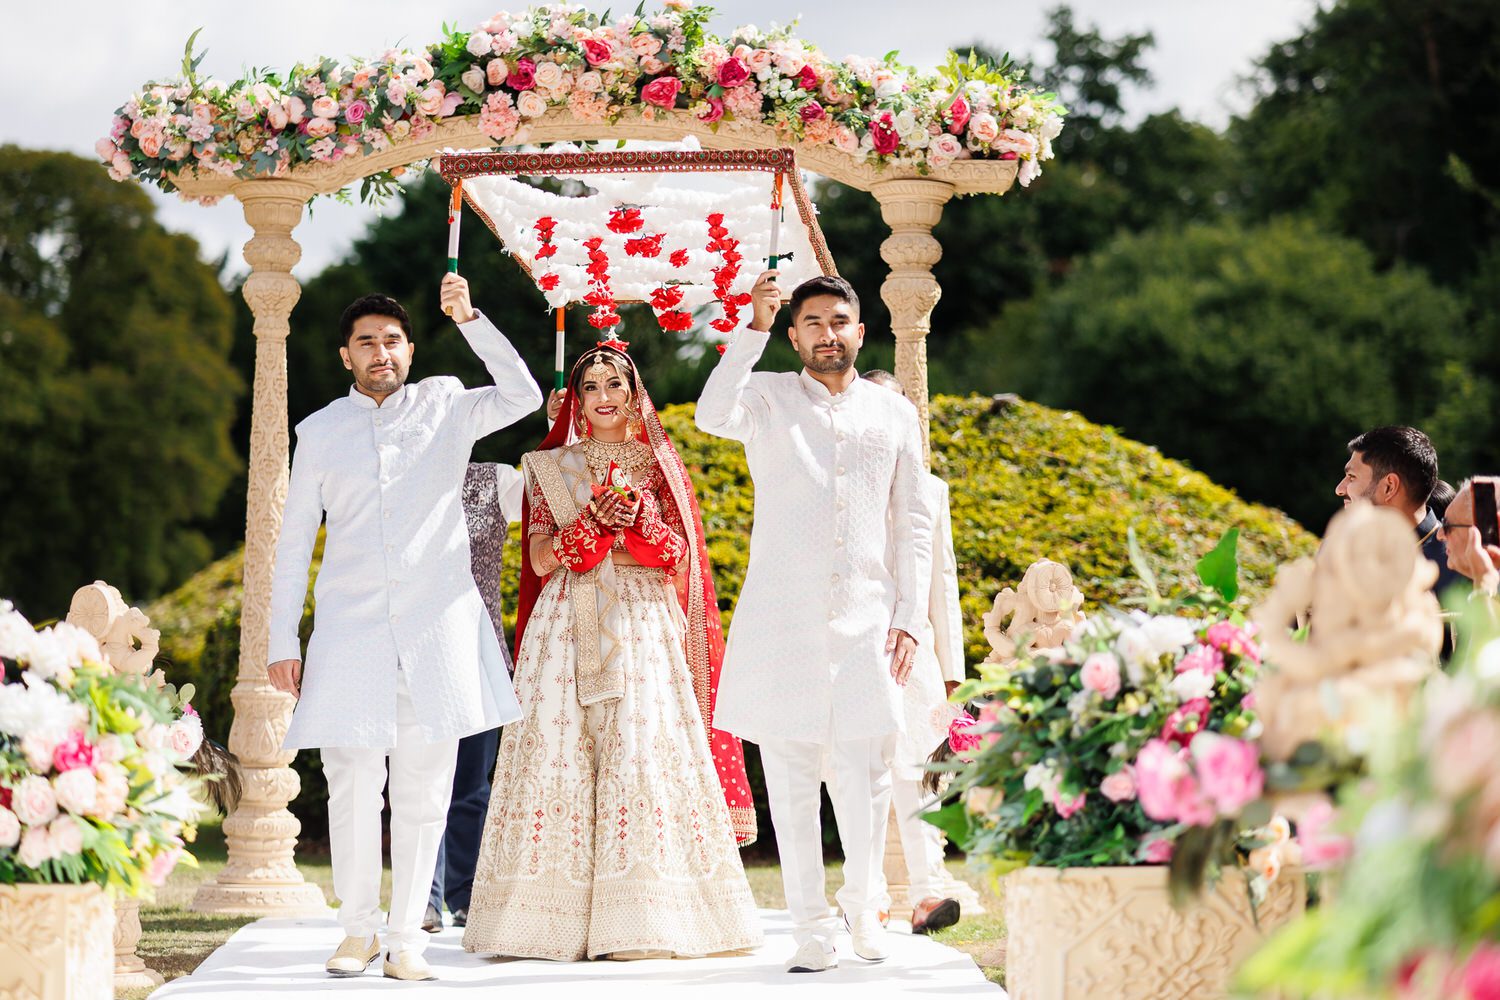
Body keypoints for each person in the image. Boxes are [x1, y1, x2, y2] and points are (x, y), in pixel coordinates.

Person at [266, 275, 542, 982]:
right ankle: (355, 932)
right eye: (367, 342)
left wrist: (470, 317)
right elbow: (294, 541)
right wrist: (280, 643)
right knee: (353, 780)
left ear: (411, 348)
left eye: (392, 340)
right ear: (345, 356)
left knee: (427, 788)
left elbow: (524, 395)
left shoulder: (445, 403)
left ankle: (407, 941)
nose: (381, 352)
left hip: (437, 629)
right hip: (349, 633)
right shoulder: (319, 431)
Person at [462, 341, 762, 962]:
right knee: (559, 749)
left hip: (643, 625)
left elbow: (676, 556)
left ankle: (647, 917)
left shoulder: (658, 465)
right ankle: (540, 922)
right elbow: (543, 559)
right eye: (590, 385)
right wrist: (593, 526)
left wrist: (635, 526)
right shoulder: (548, 466)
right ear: (575, 397)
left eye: (614, 384)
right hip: (565, 625)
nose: (603, 397)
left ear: (632, 393)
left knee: (641, 745)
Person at [696, 272, 933, 973]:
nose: (828, 334)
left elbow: (913, 522)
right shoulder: (765, 397)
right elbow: (711, 412)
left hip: (869, 623)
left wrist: (911, 615)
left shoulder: (896, 415)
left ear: (861, 331)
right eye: (813, 324)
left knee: (864, 778)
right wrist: (751, 327)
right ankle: (807, 927)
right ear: (795, 334)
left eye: (840, 321)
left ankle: (864, 909)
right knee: (794, 780)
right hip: (782, 624)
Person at [859, 370, 966, 935]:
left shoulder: (930, 487)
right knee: (855, 768)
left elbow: (941, 583)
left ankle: (928, 895)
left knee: (919, 771)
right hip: (855, 641)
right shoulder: (839, 475)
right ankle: (867, 896)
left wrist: (954, 674)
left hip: (915, 647)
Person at [421, 461, 526, 934]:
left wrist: (560, 420)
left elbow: (559, 481)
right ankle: (422, 899)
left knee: (471, 787)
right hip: (421, 653)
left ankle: (464, 897)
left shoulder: (497, 479)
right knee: (419, 782)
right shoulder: (405, 478)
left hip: (482, 654)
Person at [1337, 426, 1465, 597]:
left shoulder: (1462, 566)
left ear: (1389, 486)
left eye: (1352, 477)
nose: (1339, 489)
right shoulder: (1344, 556)